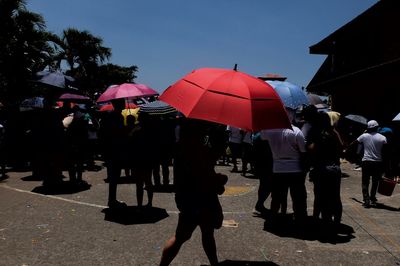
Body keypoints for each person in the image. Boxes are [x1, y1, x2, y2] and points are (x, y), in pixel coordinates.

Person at [160, 119, 227, 266]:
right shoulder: (196, 149)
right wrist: (219, 179)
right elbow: (202, 174)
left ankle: (214, 263)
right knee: (188, 235)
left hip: (188, 197)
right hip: (200, 198)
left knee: (195, 234)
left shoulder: (182, 147)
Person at [261, 108, 308, 223]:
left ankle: (273, 219)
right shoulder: (296, 131)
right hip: (295, 169)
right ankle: (300, 219)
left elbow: (262, 136)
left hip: (278, 168)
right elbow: (303, 152)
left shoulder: (270, 131)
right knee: (298, 197)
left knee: (276, 197)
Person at [307, 112, 343, 223]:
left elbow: (311, 149)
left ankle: (317, 219)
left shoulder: (316, 133)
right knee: (336, 196)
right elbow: (341, 148)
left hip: (321, 169)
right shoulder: (334, 132)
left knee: (319, 196)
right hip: (335, 168)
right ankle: (336, 220)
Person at [349, 120, 387, 208]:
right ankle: (373, 197)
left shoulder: (364, 136)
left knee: (365, 181)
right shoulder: (383, 138)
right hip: (378, 162)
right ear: (377, 127)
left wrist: (347, 150)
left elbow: (354, 143)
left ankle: (366, 200)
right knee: (375, 181)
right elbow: (386, 151)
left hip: (366, 161)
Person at [99, 98, 127, 208]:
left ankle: (112, 199)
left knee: (114, 176)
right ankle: (112, 200)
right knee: (115, 176)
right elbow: (119, 134)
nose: (125, 103)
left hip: (110, 149)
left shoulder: (110, 116)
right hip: (115, 149)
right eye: (122, 102)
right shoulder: (117, 117)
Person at [253, 132, 273, 213]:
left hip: (260, 164)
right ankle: (259, 204)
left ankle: (260, 204)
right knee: (268, 186)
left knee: (263, 185)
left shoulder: (257, 136)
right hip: (267, 164)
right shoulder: (266, 136)